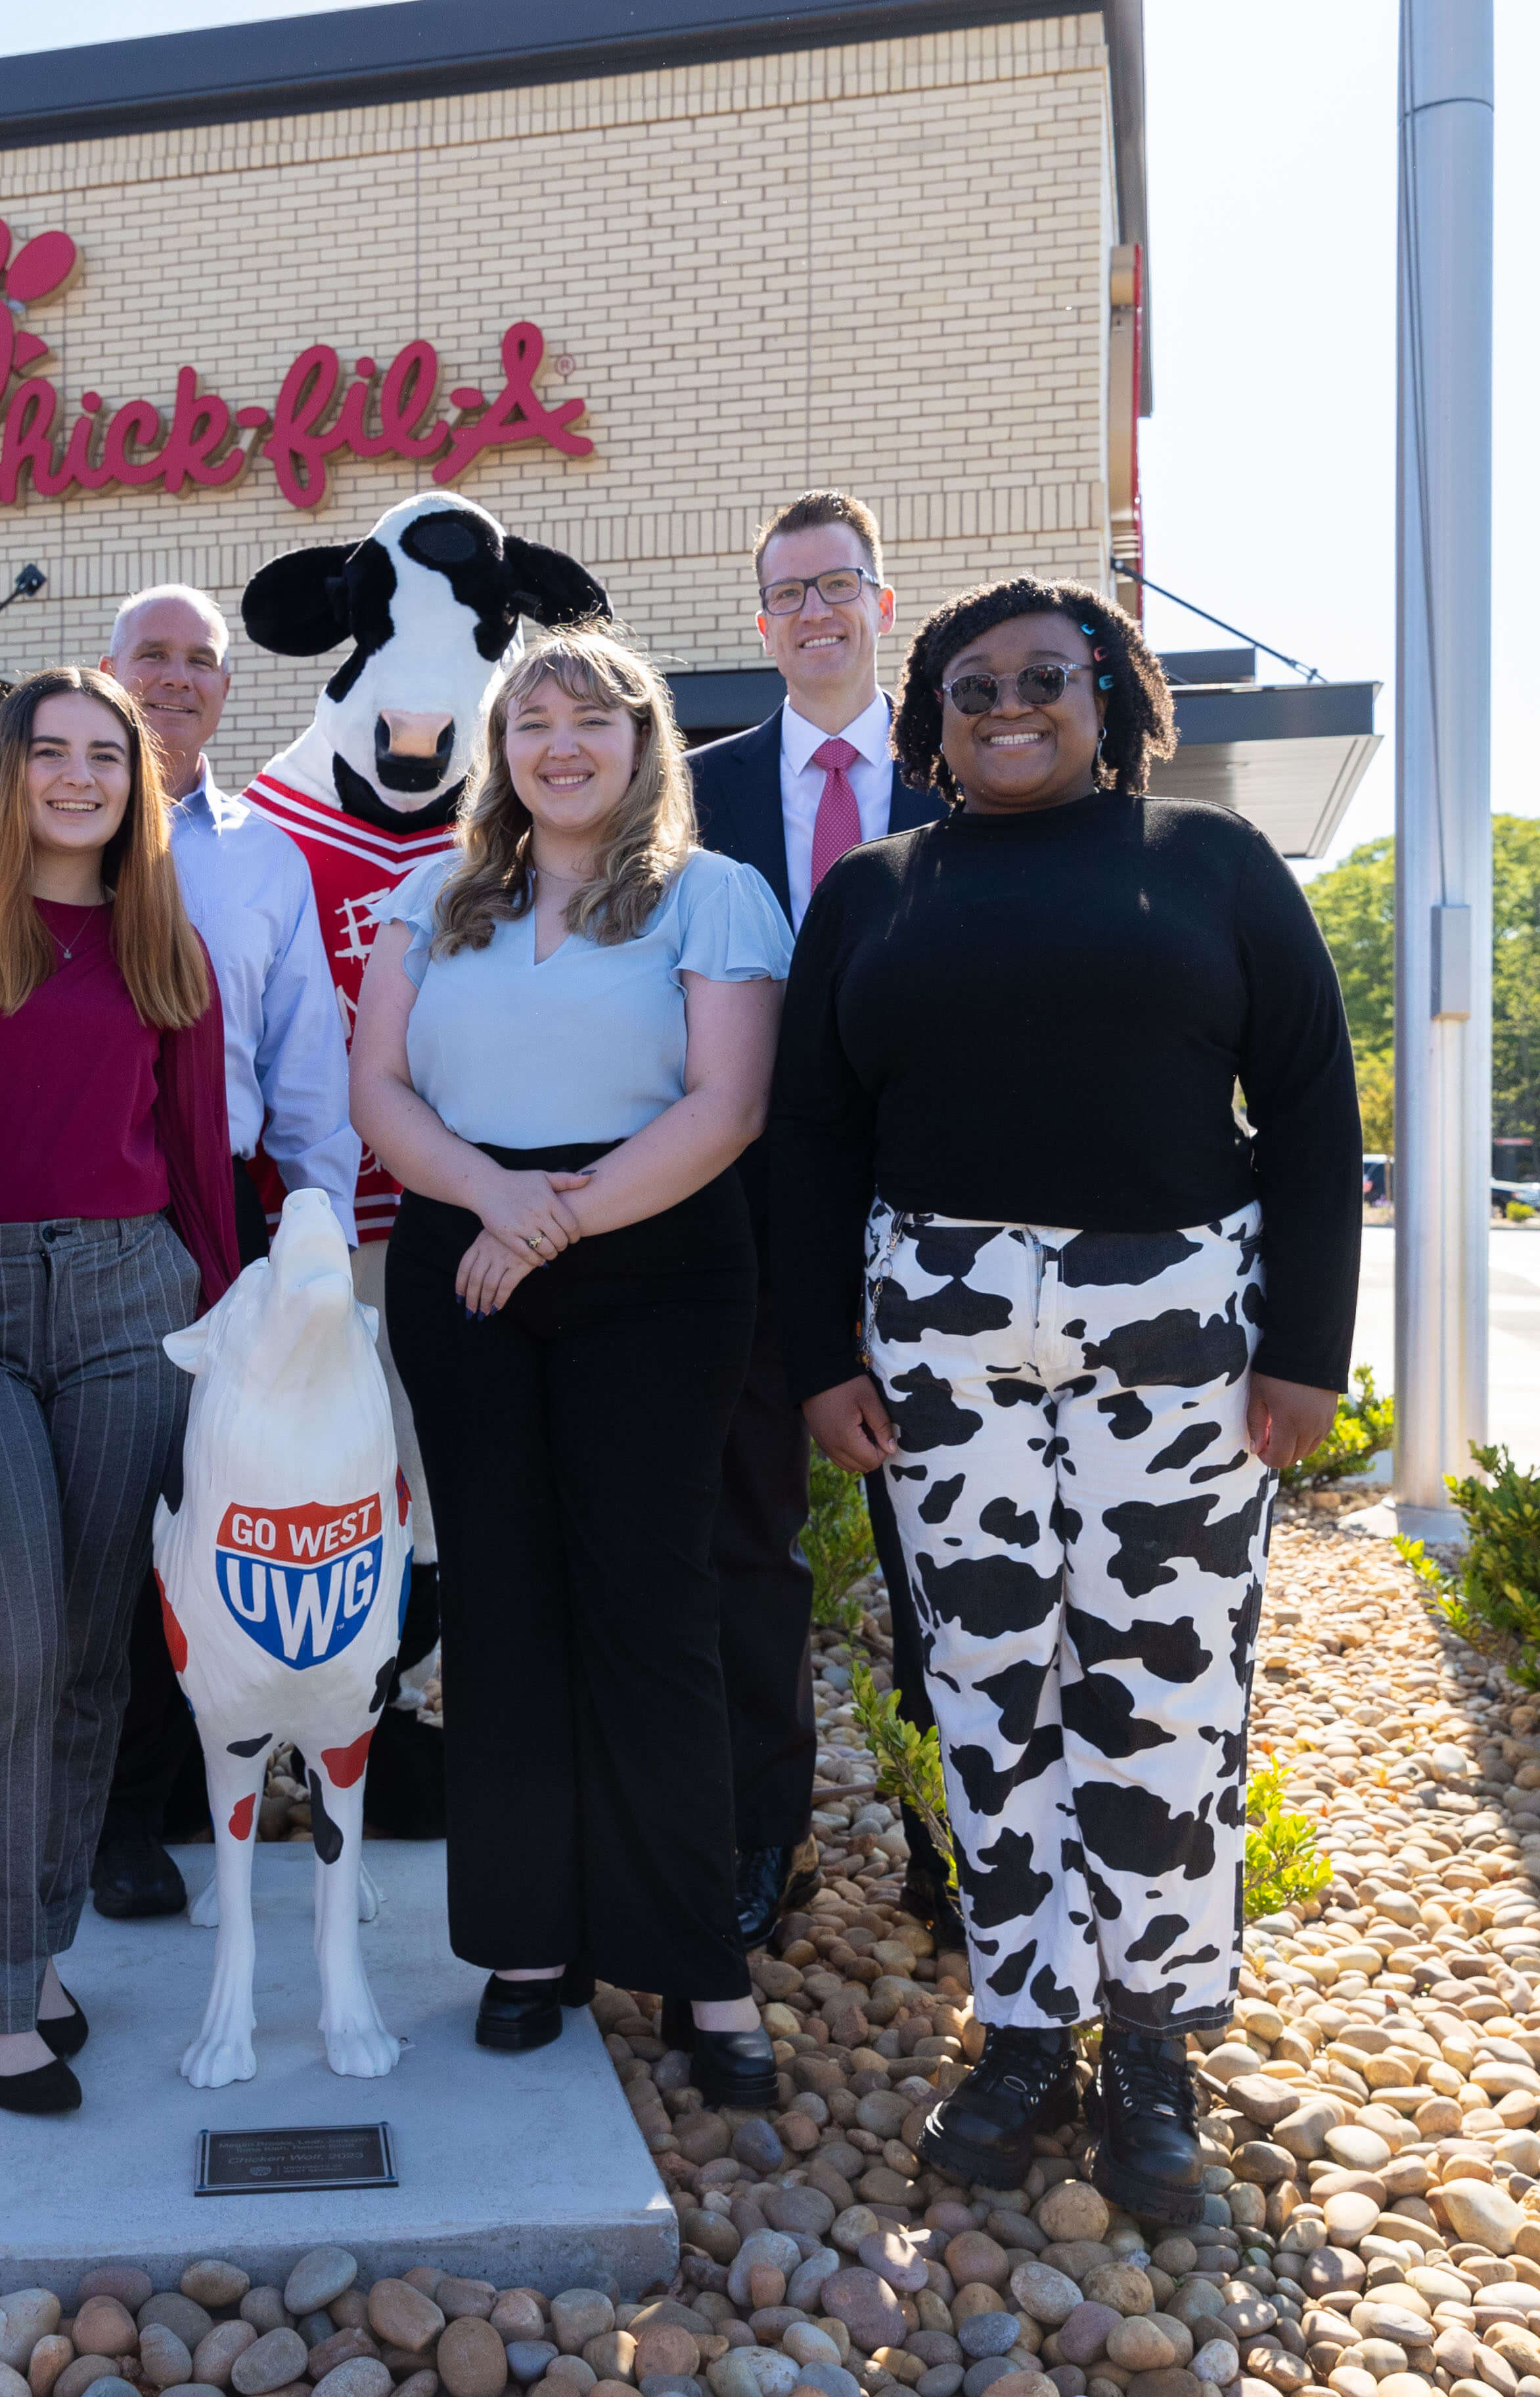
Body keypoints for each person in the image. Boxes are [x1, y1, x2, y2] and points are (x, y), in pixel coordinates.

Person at [769, 576, 1360, 2207]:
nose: (1008, 706)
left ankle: (1152, 2052)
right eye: (971, 689)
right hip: (938, 1340)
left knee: (1161, 1698)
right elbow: (807, 1139)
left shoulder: (1212, 864)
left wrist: (1305, 1350)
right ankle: (1023, 2030)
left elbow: (1310, 1112)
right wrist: (817, 1357)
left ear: (1111, 695)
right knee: (981, 1684)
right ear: (925, 721)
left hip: (1174, 1335)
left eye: (1047, 676)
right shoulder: (871, 890)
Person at [349, 626, 792, 2105]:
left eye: (591, 720)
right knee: (505, 1605)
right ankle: (527, 1945)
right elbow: (380, 1092)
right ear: (502, 751)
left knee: (651, 1604)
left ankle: (700, 1970)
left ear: (641, 744)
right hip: (466, 1251)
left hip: (654, 1264)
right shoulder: (431, 898)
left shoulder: (711, 898)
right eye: (531, 720)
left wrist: (551, 1224)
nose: (561, 744)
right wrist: (495, 1202)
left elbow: (725, 1109)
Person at [0, 664, 237, 2118]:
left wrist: (221, 1328)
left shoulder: (163, 943)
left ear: (135, 784)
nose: (77, 778)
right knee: (4, 1650)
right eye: (51, 753)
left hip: (129, 1305)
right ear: (5, 771)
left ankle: (33, 1940)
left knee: (89, 1655)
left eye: (106, 757)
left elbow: (199, 1164)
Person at [683, 491, 952, 1954]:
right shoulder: (700, 792)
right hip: (735, 1220)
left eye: (838, 585)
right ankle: (759, 1842)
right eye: (787, 594)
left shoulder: (961, 772)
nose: (814, 615)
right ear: (763, 618)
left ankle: (946, 1837)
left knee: (936, 1550)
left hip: (927, 1226)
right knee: (750, 1546)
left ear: (883, 602)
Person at [89, 585, 361, 1919]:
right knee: (60, 1526)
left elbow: (309, 1068)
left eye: (203, 662)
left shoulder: (264, 861)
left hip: (221, 1220)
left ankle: (173, 1797)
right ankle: (39, 1803)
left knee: (200, 1515)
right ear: (106, 671)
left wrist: (317, 1250)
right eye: (155, 655)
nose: (180, 679)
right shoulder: (40, 832)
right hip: (63, 1206)